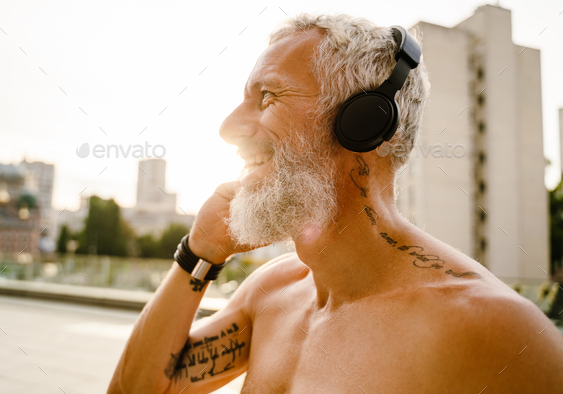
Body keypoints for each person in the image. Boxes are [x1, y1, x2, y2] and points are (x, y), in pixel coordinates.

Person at [108, 14, 563, 394]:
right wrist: (199, 251)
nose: (228, 127)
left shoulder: (493, 330)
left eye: (267, 97)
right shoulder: (274, 292)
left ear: (361, 122)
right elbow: (142, 388)